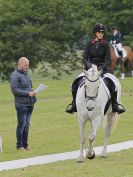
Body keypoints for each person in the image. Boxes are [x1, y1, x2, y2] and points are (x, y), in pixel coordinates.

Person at [65, 23, 125, 115]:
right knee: (75, 83)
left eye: (102, 32)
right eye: (99, 32)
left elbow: (108, 60)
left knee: (112, 84)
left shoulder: (105, 44)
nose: (101, 34)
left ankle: (115, 105)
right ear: (95, 33)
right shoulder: (89, 44)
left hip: (102, 69)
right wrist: (90, 66)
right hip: (90, 70)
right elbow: (84, 59)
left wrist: (101, 68)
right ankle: (74, 105)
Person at [10, 57, 37, 150]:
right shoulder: (14, 75)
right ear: (20, 64)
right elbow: (15, 90)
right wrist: (28, 93)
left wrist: (33, 92)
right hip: (21, 105)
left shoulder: (26, 74)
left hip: (30, 104)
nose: (27, 67)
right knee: (21, 125)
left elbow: (29, 87)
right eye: (26, 65)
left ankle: (25, 145)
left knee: (27, 125)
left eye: (28, 65)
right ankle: (19, 146)